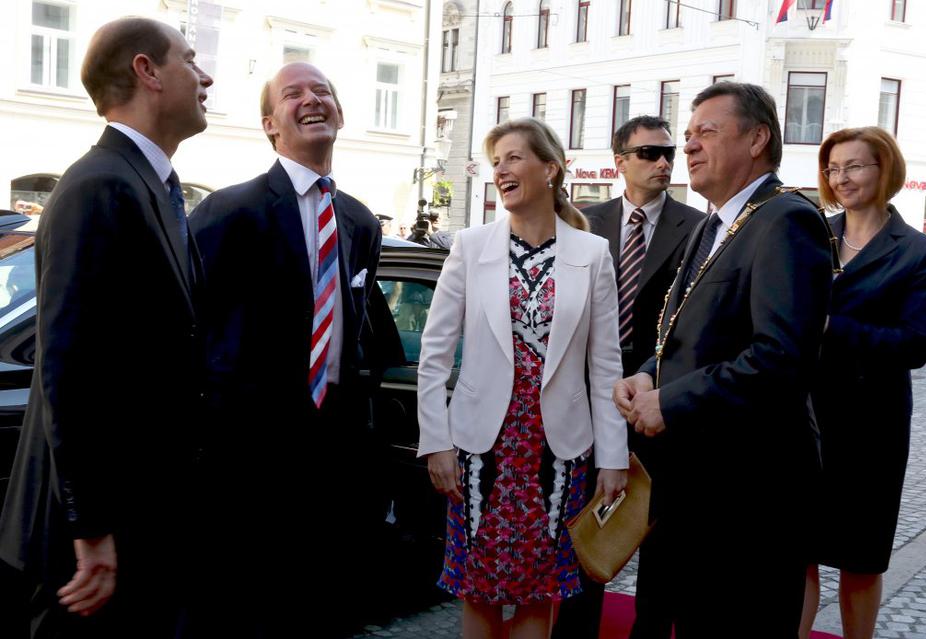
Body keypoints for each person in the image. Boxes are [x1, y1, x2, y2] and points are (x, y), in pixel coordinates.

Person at [0, 17, 212, 638]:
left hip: (136, 524)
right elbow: (69, 369)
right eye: (189, 60)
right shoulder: (99, 186)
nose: (205, 76)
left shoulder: (148, 185)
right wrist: (90, 528)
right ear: (147, 72)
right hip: (94, 549)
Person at [613, 82, 834, 637]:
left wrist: (672, 401)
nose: (688, 146)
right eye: (688, 135)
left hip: (748, 494)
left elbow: (780, 358)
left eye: (706, 132)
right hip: (688, 482)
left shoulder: (785, 220)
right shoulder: (713, 223)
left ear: (757, 139)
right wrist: (645, 376)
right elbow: (684, 335)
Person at [187, 62, 383, 638]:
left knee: (318, 605)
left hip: (332, 452)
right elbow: (190, 326)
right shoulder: (229, 211)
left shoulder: (359, 221)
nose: (312, 99)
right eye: (293, 94)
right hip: (248, 456)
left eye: (323, 91)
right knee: (248, 609)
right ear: (270, 125)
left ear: (340, 113)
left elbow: (352, 329)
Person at [417, 117, 629, 638]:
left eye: (513, 157)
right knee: (478, 589)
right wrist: (436, 442)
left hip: (558, 451)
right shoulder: (471, 246)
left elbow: (606, 364)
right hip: (479, 448)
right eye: (496, 162)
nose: (501, 170)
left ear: (550, 169)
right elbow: (434, 353)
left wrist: (614, 457)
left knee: (541, 592)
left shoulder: (592, 253)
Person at [553, 116, 703, 639]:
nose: (664, 162)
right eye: (649, 153)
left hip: (657, 398)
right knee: (584, 523)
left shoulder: (698, 227)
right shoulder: (583, 221)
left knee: (660, 535)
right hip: (587, 398)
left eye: (669, 153)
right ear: (620, 161)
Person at [799, 127, 926, 639]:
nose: (841, 178)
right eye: (834, 168)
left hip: (871, 424)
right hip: (803, 415)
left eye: (855, 166)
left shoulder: (920, 252)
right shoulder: (810, 234)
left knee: (861, 556)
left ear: (885, 170)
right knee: (800, 551)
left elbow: (916, 344)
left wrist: (830, 328)